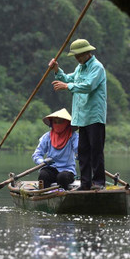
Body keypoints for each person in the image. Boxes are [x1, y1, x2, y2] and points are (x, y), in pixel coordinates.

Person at [49, 38, 107, 190]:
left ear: (87, 53)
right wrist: (57, 70)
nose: (76, 58)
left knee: (96, 150)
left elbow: (88, 86)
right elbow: (69, 79)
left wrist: (67, 86)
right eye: (75, 55)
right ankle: (85, 183)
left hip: (94, 116)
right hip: (82, 117)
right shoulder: (80, 68)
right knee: (83, 152)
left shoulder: (97, 67)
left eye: (78, 55)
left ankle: (99, 183)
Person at [32, 108, 79, 190]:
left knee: (62, 177)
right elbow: (37, 154)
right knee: (43, 175)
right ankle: (45, 194)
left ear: (67, 123)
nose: (57, 124)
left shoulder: (73, 136)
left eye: (60, 122)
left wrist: (80, 155)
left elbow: (79, 149)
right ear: (52, 123)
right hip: (51, 168)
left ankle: (63, 194)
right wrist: (42, 161)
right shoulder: (47, 137)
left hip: (67, 170)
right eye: (55, 122)